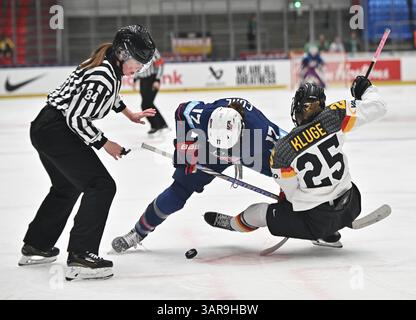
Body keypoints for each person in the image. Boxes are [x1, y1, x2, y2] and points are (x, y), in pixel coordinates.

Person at [19, 25, 157, 280]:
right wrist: (105, 143)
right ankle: (81, 256)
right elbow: (75, 118)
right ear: (123, 54)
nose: (139, 68)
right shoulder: (103, 74)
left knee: (66, 186)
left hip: (44, 127)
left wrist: (130, 114)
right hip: (56, 130)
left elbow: (110, 97)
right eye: (138, 62)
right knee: (101, 185)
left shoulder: (107, 62)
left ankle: (37, 245)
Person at [204, 77, 387, 248]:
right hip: (353, 204)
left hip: (316, 222)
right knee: (328, 191)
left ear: (297, 108)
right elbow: (378, 106)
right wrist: (365, 89)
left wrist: (285, 204)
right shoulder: (336, 115)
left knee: (259, 213)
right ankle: (329, 232)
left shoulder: (282, 151)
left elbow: (292, 196)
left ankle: (232, 224)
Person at [111, 97, 286, 252]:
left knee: (287, 175)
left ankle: (306, 217)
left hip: (251, 149)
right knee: (178, 192)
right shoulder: (204, 115)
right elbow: (181, 111)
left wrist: (288, 188)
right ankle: (138, 232)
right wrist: (184, 148)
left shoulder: (263, 133)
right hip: (211, 149)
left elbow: (295, 154)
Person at [133, 48, 169, 135]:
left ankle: (156, 125)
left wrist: (157, 79)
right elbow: (137, 66)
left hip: (152, 79)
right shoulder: (134, 50)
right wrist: (135, 79)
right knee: (148, 104)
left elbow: (160, 64)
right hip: (143, 80)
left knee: (146, 104)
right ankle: (162, 124)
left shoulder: (152, 50)